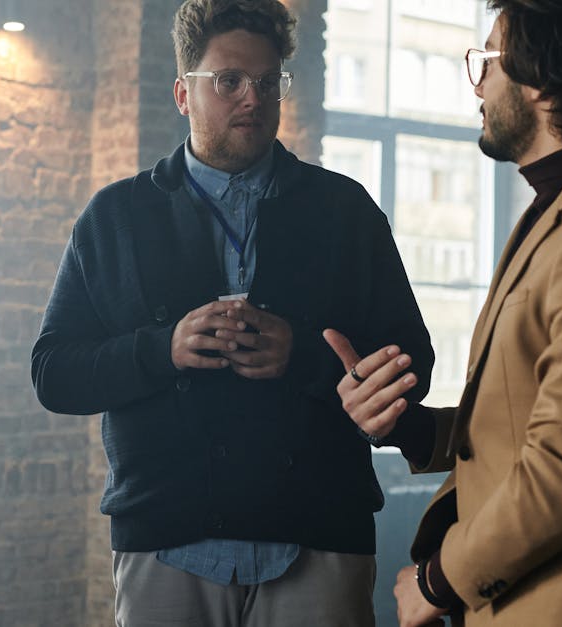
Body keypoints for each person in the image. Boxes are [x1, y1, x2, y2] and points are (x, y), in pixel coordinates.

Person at [31, 1, 433, 624]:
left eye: (269, 82)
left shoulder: (346, 211)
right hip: (165, 537)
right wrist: (162, 348)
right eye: (228, 81)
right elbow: (54, 373)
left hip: (321, 531)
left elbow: (412, 365)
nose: (253, 98)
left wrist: (303, 355)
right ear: (183, 94)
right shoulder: (115, 217)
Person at [324, 1, 562, 625]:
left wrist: (437, 582)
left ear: (544, 79)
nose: (477, 84)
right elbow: (526, 423)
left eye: (488, 60)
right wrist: (407, 427)